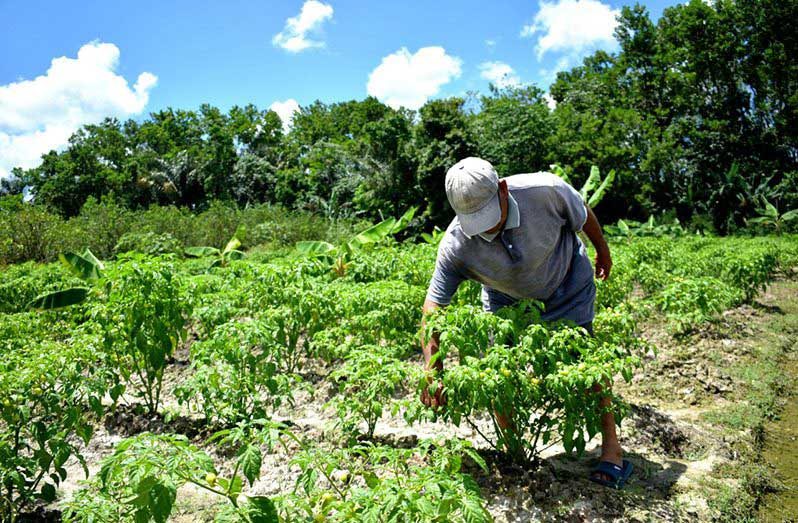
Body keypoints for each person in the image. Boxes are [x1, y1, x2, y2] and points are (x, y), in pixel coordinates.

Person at [419, 156, 632, 488]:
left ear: (503, 189)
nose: (486, 227)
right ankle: (513, 450)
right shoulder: (456, 244)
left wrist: (602, 249)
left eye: (489, 215)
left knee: (588, 366)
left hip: (567, 283)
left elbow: (582, 213)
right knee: (495, 374)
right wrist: (434, 368)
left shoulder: (544, 190)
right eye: (475, 221)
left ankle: (611, 450)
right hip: (506, 301)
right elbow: (434, 306)